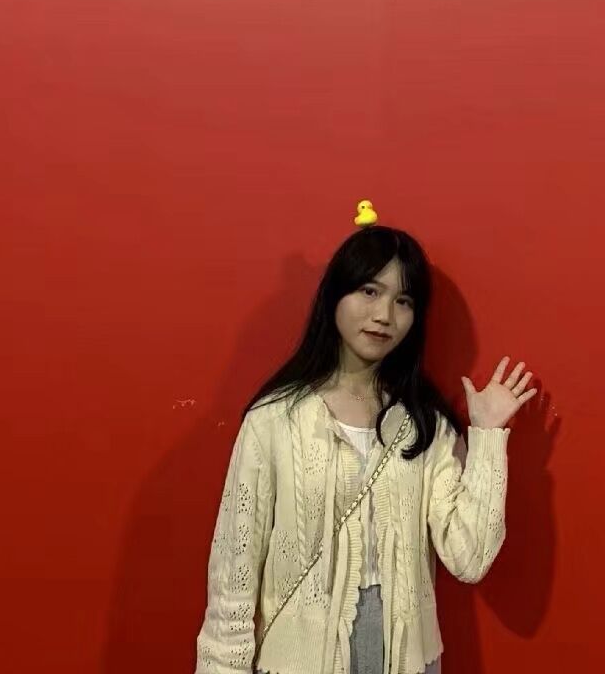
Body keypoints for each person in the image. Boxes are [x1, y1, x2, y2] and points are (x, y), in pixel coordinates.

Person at [195, 212, 538, 674]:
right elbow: (232, 574)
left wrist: (488, 434)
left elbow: (469, 558)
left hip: (407, 660)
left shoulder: (425, 425)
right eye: (370, 291)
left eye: (403, 301)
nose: (384, 316)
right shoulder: (274, 420)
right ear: (336, 295)